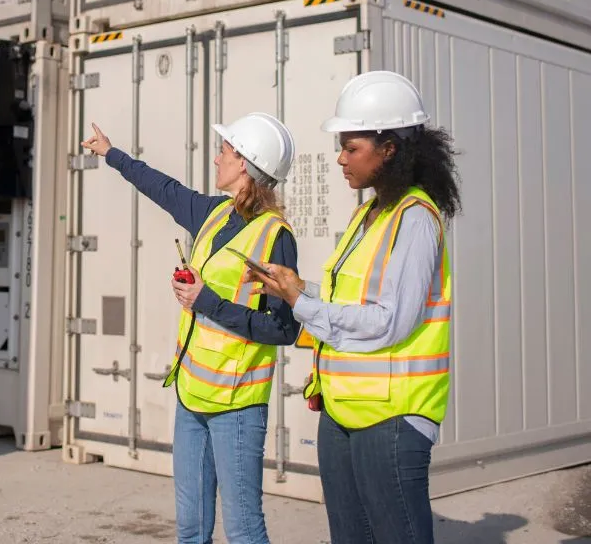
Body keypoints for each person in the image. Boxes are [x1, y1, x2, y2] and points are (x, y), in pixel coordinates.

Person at [246, 71, 461, 544]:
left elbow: (388, 322)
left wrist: (300, 303)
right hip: (343, 409)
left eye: (351, 146)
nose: (340, 158)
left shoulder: (416, 220)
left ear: (390, 149)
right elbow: (353, 296)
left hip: (391, 418)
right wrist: (294, 285)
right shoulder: (369, 212)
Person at [81, 113, 302, 544]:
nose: (217, 156)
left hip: (236, 404)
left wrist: (208, 302)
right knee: (191, 527)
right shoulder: (214, 213)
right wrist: (111, 154)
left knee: (243, 529)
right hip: (192, 392)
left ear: (245, 165)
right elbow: (164, 189)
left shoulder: (276, 237)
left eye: (225, 150)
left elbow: (282, 328)